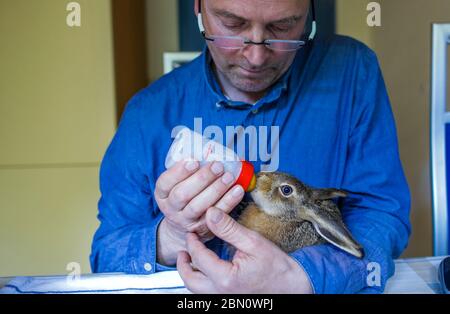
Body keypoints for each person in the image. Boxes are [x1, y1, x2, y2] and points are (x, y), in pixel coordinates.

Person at [90, 0, 411, 294]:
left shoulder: (352, 73)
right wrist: (173, 236)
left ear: (310, 12)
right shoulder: (148, 113)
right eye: (232, 24)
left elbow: (381, 212)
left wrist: (304, 278)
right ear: (198, 7)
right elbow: (107, 255)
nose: (256, 57)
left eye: (282, 26)